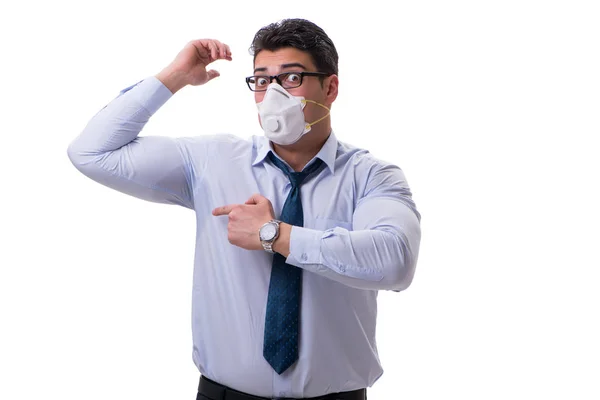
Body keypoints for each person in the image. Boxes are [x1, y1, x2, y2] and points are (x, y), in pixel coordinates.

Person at [68, 18, 421, 400]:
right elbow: (91, 153)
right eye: (262, 80)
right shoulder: (211, 161)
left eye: (291, 78)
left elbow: (395, 261)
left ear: (330, 87)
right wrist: (175, 76)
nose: (273, 95)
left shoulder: (371, 176)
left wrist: (276, 235)